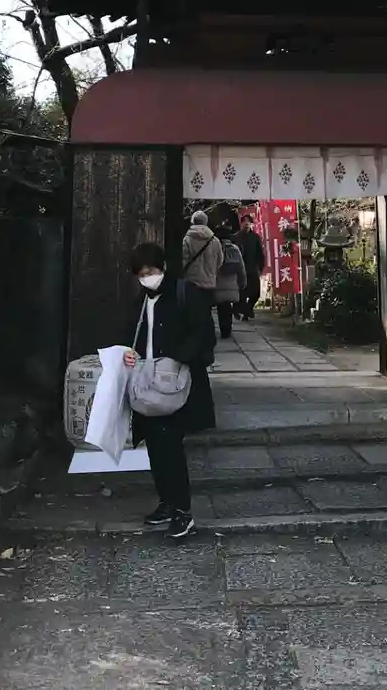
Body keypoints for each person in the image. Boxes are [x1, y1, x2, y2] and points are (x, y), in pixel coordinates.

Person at [122, 242, 216, 539]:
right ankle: (167, 502)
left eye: (150, 272)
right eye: (141, 275)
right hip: (147, 383)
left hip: (177, 383)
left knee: (171, 447)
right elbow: (135, 336)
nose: (146, 278)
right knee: (154, 446)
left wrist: (176, 356)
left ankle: (182, 511)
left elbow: (204, 335)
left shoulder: (185, 294)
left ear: (162, 267)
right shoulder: (141, 300)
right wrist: (130, 354)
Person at [180, 210, 224, 328]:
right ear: (206, 222)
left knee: (192, 313)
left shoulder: (187, 239)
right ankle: (207, 334)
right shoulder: (215, 241)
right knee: (206, 313)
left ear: (192, 222)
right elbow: (220, 261)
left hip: (192, 283)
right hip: (209, 283)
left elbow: (183, 260)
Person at [212, 222, 247, 340]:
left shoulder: (214, 249)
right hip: (231, 285)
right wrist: (242, 283)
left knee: (220, 308)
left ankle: (222, 329)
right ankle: (227, 329)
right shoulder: (235, 249)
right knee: (227, 308)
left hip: (217, 284)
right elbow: (241, 268)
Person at [232, 213, 266, 321]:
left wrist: (261, 267)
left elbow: (260, 254)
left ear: (251, 224)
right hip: (239, 270)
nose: (246, 223)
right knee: (241, 294)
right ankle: (242, 311)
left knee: (256, 293)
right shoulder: (236, 237)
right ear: (241, 223)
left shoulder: (255, 237)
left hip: (252, 269)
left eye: (249, 222)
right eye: (244, 221)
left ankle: (248, 309)